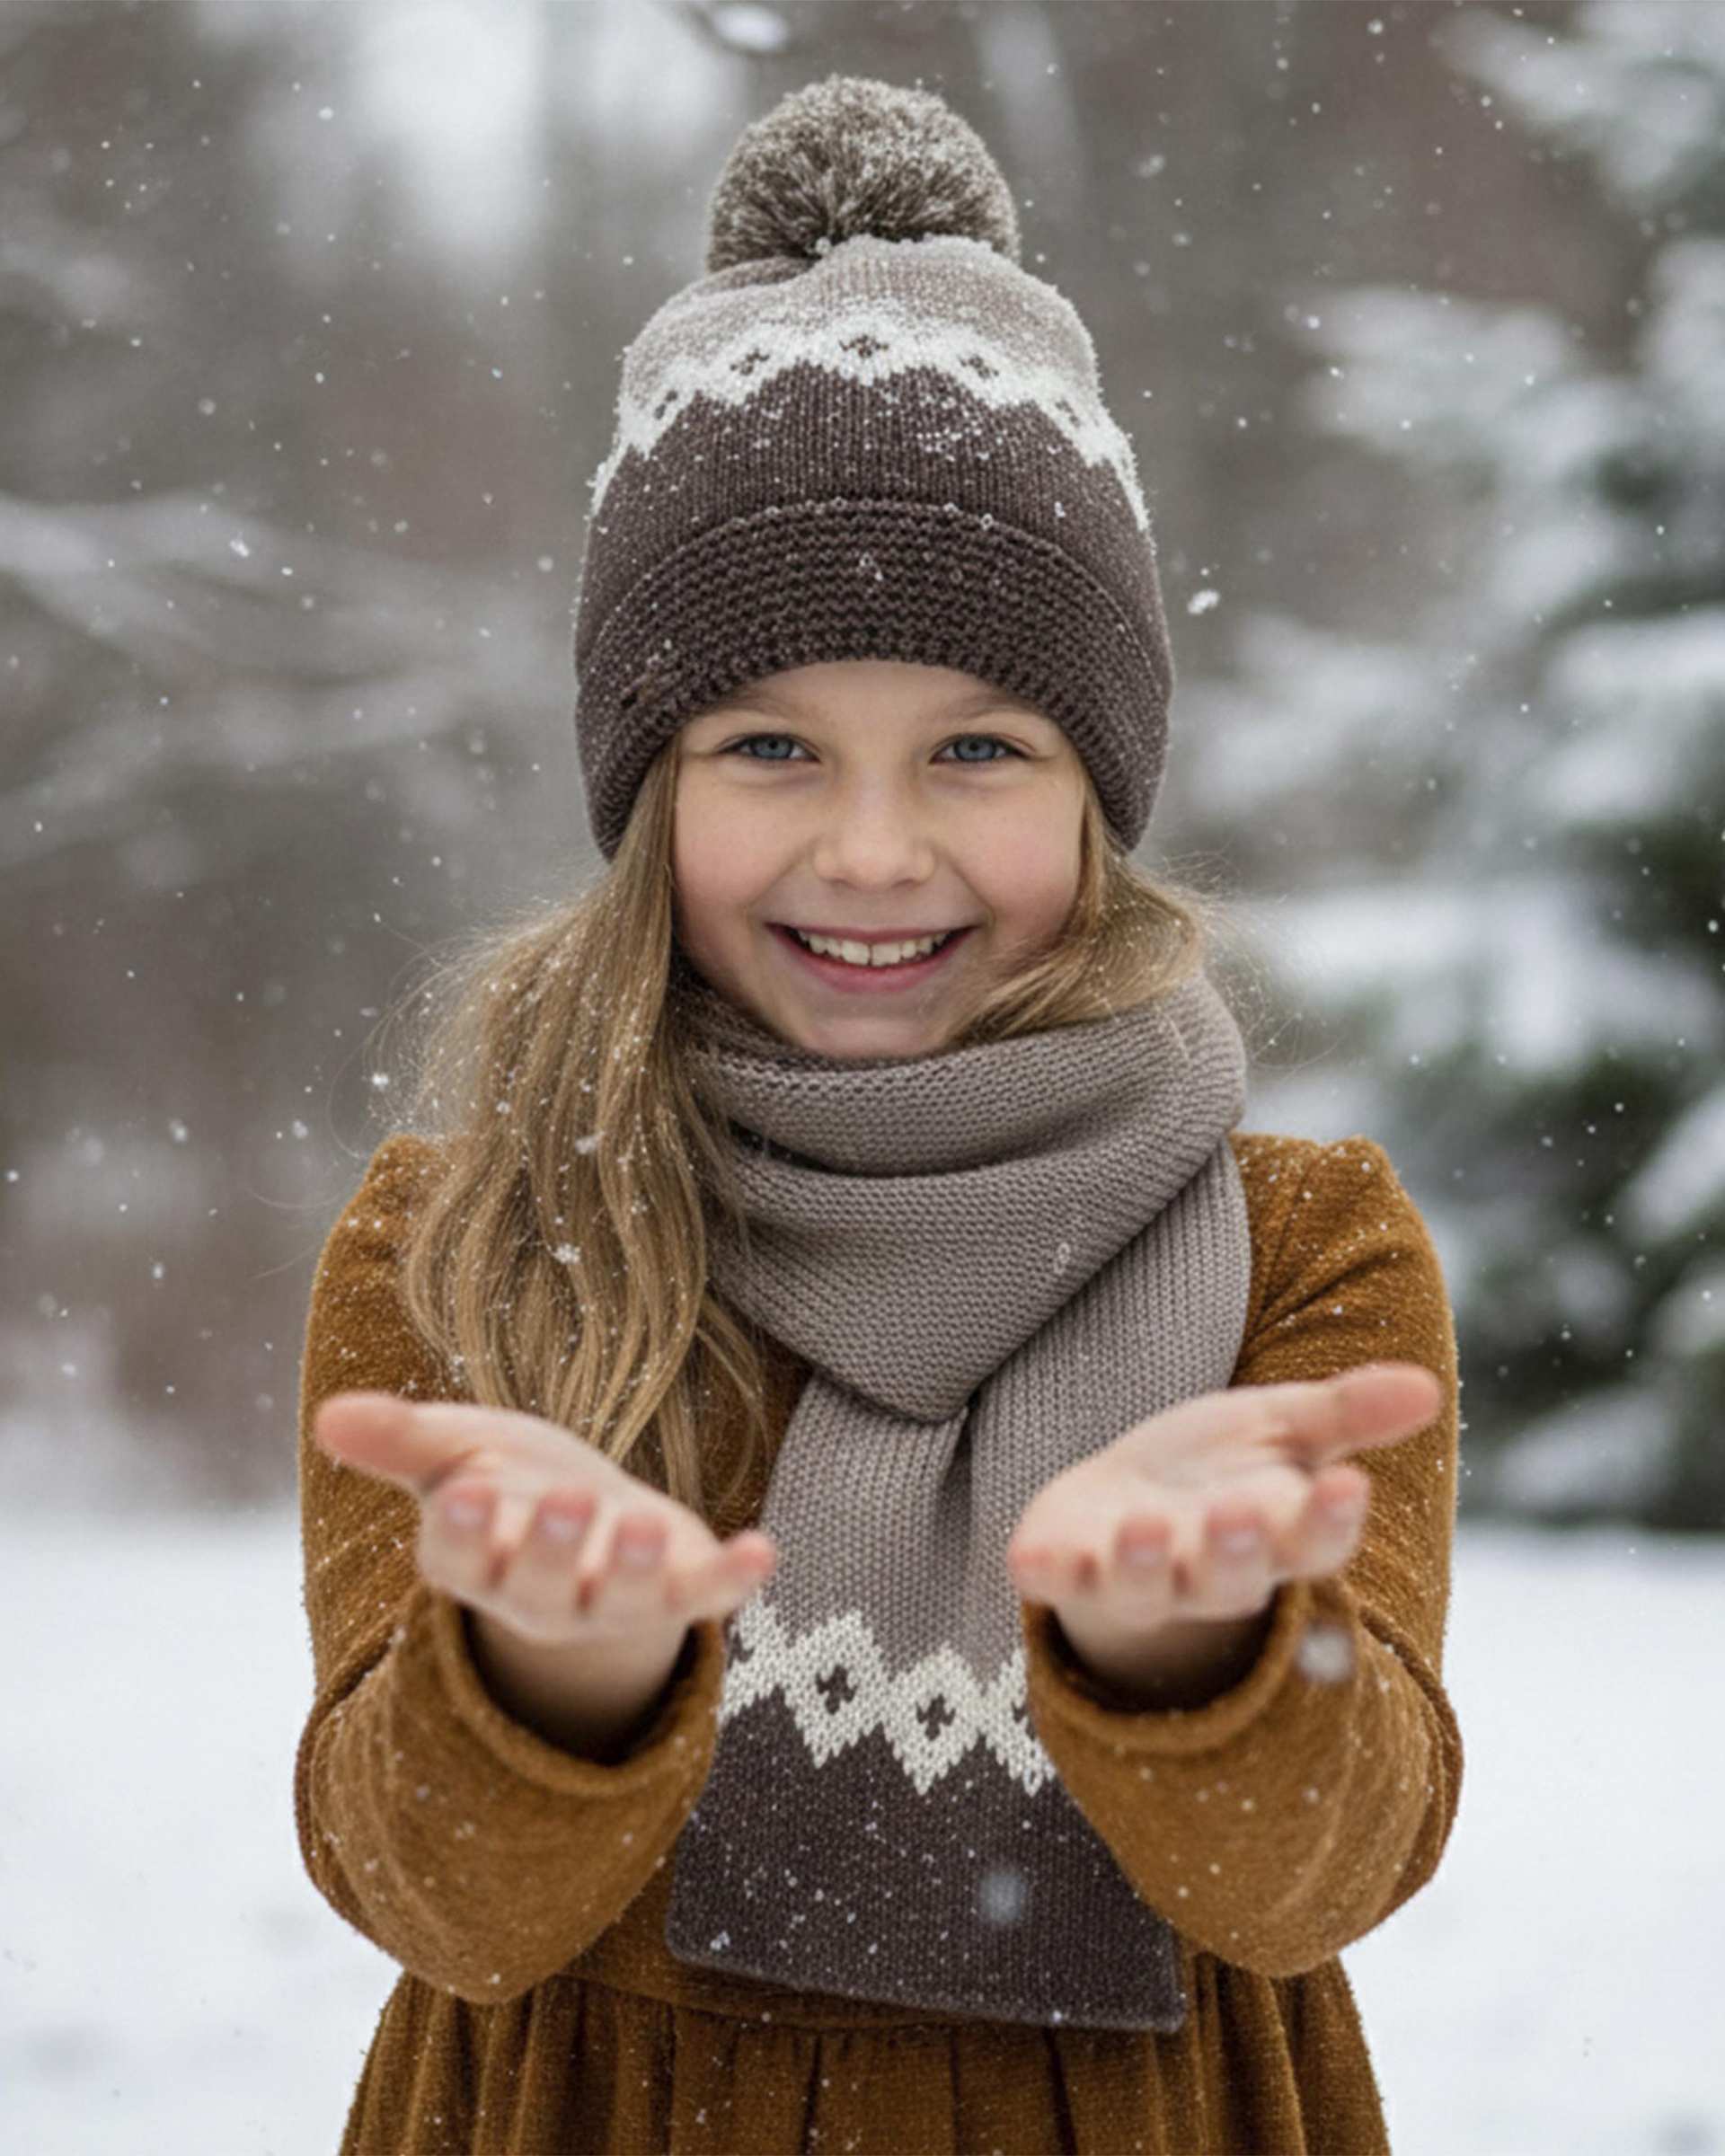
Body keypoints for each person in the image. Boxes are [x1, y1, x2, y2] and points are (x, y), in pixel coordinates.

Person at [294, 75, 1462, 2155]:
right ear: (648, 790)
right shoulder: (461, 1246)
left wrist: (1195, 1653)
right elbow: (430, 1903)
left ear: (1100, 788)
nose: (870, 848)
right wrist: (551, 1678)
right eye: (768, 745)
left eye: (975, 750)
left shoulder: (1305, 1258)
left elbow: (1325, 1877)